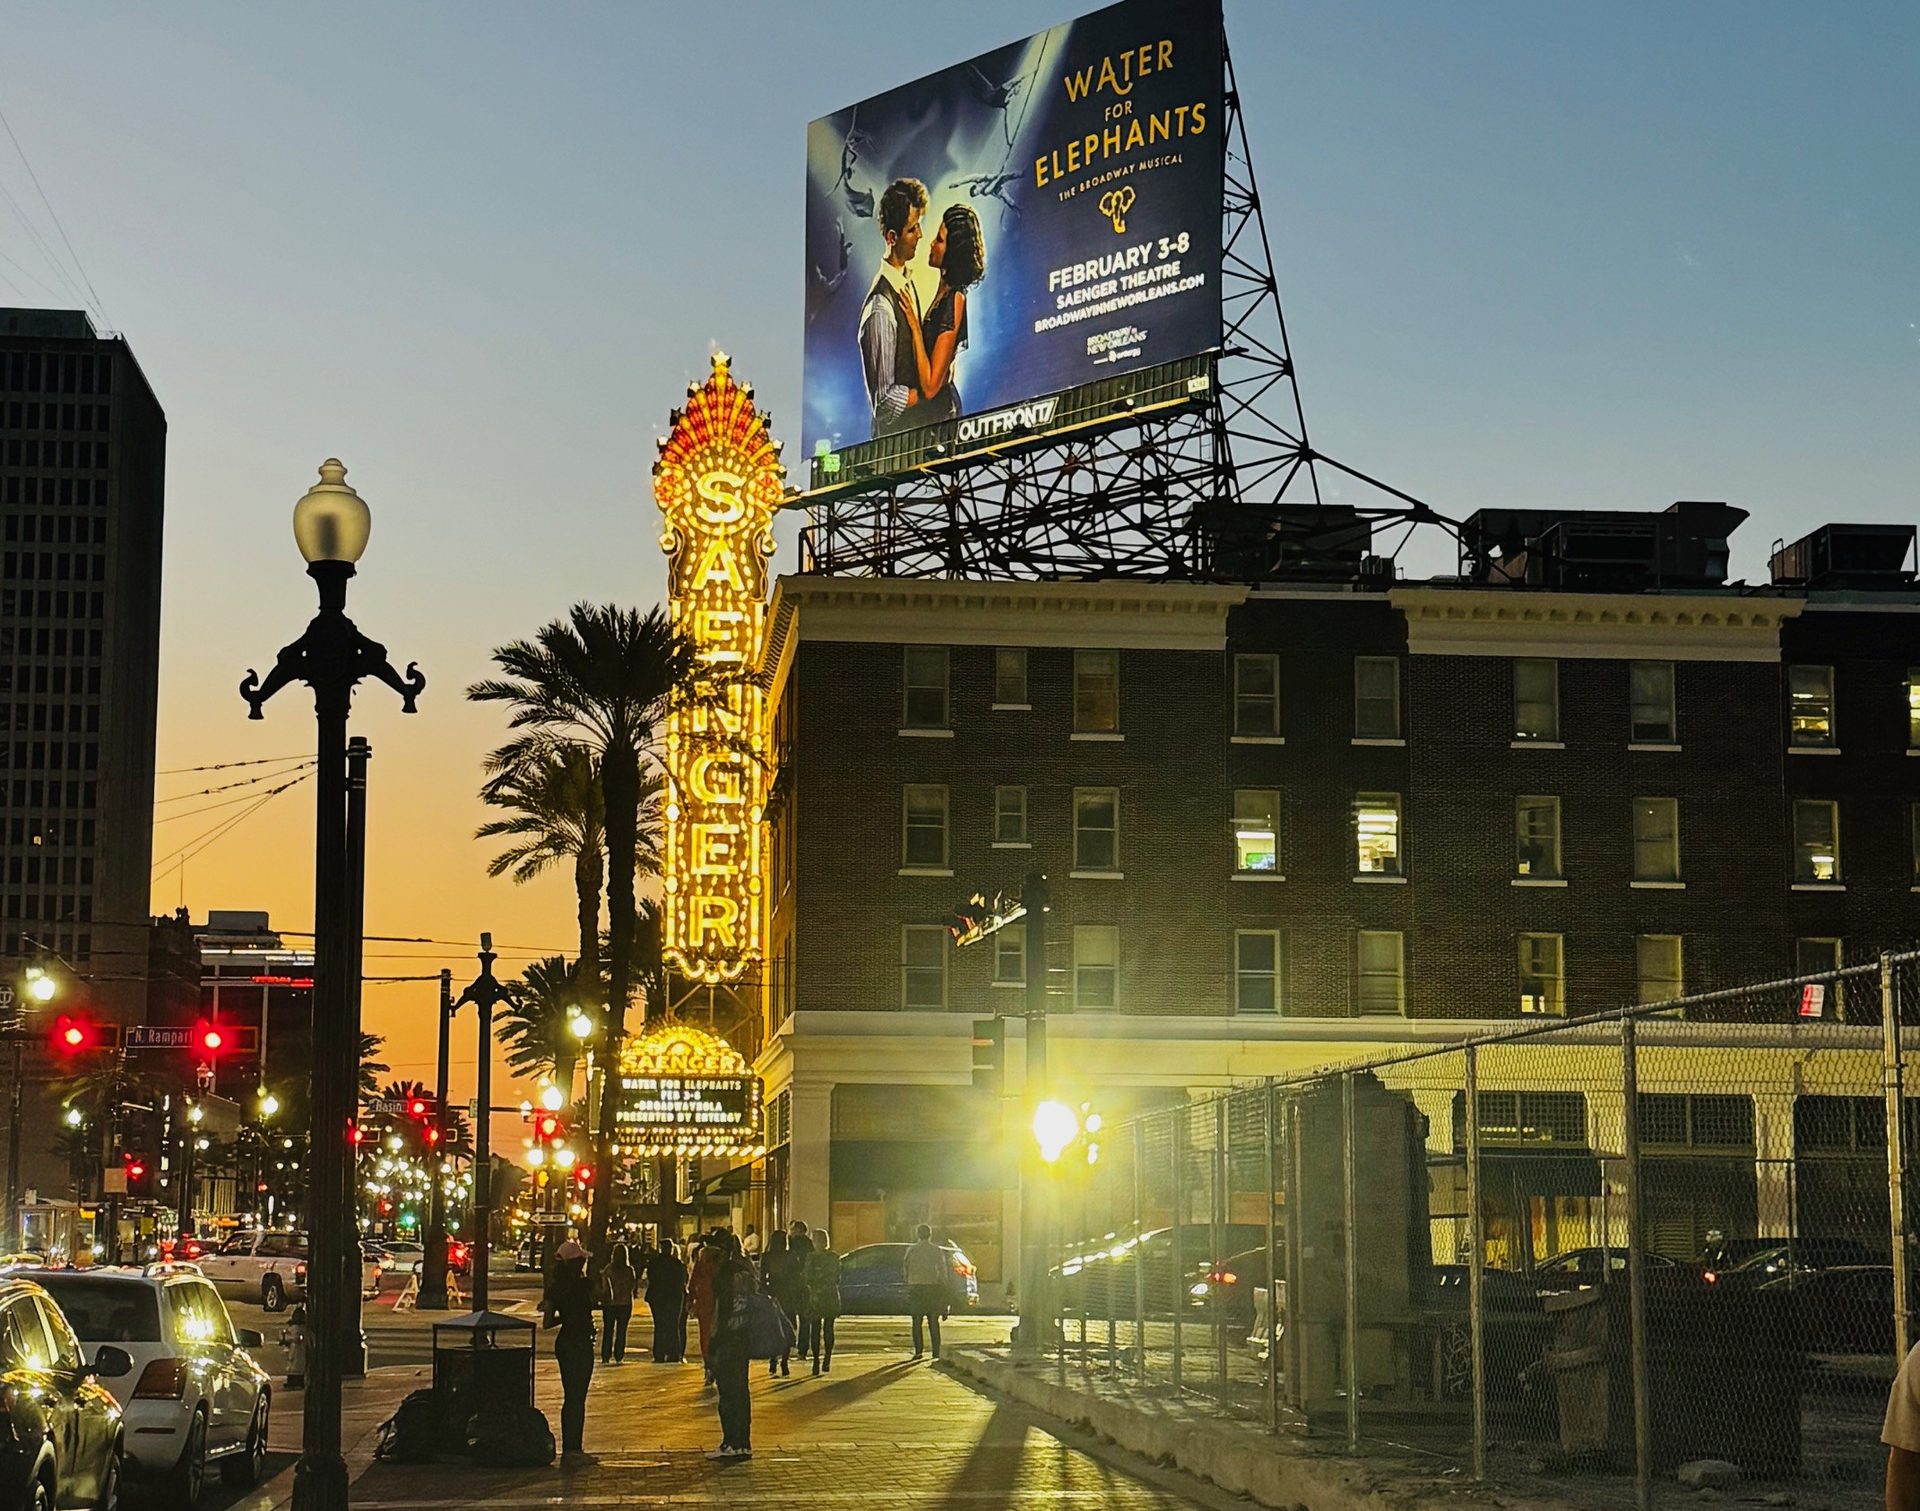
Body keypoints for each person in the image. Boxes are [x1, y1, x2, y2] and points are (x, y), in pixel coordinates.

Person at [897, 201, 986, 426]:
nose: (931, 244)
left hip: (939, 421)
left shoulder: (955, 299)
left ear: (952, 252)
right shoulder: (942, 294)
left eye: (939, 240)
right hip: (925, 420)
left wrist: (914, 325)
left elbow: (931, 385)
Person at [857, 176, 930, 439]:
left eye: (919, 225)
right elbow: (885, 404)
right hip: (896, 451)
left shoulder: (908, 281)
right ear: (891, 237)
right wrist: (927, 392)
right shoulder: (880, 308)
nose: (920, 235)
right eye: (912, 229)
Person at [542, 1239, 596, 1461]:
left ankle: (570, 1447)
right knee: (578, 1397)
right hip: (581, 1342)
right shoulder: (585, 1285)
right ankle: (575, 1448)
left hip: (565, 1341)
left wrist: (564, 1317)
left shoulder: (555, 1287)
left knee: (570, 1396)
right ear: (577, 1262)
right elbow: (603, 1298)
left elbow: (547, 1322)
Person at [707, 1232, 759, 1461]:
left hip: (728, 1337)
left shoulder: (724, 1273)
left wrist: (714, 1339)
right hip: (745, 1335)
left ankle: (730, 1442)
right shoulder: (746, 1269)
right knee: (741, 1391)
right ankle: (743, 1442)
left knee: (727, 1393)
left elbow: (722, 1309)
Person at [904, 1223, 946, 1361]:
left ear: (917, 1234)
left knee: (917, 1320)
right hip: (931, 1287)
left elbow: (905, 1268)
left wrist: (908, 1282)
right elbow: (942, 1270)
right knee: (933, 1321)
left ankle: (918, 1351)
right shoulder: (936, 1250)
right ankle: (935, 1351)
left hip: (916, 1287)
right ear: (930, 1234)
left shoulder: (911, 1250)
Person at [803, 1230, 842, 1375]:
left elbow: (806, 1277)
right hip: (830, 1295)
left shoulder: (810, 1258)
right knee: (828, 1328)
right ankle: (827, 1358)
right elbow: (837, 1278)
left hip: (815, 1296)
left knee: (815, 1329)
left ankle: (815, 1361)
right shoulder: (834, 1258)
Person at [759, 1231, 796, 1377]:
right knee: (787, 1328)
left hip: (773, 1293)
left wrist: (766, 1291)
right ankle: (784, 1361)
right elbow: (794, 1276)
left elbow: (762, 1278)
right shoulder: (790, 1256)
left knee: (774, 1328)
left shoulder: (767, 1256)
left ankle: (773, 1360)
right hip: (787, 1294)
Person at [646, 1238, 689, 1363]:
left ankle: (659, 1353)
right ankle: (673, 1353)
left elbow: (651, 1278)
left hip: (658, 1297)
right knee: (673, 1325)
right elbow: (683, 1280)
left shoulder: (655, 1263)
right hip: (673, 1297)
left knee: (659, 1325)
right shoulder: (677, 1264)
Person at [597, 1243, 638, 1365]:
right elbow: (632, 1286)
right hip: (625, 1303)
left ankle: (606, 1356)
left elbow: (604, 1287)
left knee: (608, 1330)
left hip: (610, 1303)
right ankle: (619, 1355)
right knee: (621, 1331)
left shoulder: (608, 1269)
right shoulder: (629, 1270)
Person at [689, 1235, 720, 1386]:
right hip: (718, 1299)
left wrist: (690, 1300)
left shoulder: (701, 1261)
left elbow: (693, 1281)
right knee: (718, 1332)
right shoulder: (720, 1261)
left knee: (705, 1334)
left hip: (703, 1300)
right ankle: (716, 1362)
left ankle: (708, 1363)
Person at [785, 1225, 815, 1366]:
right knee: (805, 1318)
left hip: (792, 1285)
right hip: (805, 1285)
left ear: (798, 1230)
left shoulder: (792, 1243)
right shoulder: (809, 1245)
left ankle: (790, 1346)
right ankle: (802, 1349)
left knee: (790, 1316)